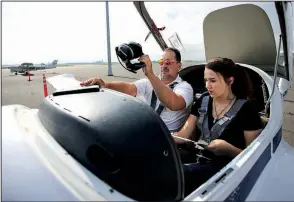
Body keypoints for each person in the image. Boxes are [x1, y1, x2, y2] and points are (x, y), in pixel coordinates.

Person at [172, 57, 263, 195]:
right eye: (206, 80)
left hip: (226, 170)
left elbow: (254, 158)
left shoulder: (247, 110)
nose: (208, 85)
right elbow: (183, 135)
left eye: (213, 80)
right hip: (197, 157)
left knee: (177, 176)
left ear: (230, 81)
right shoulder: (203, 100)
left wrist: (229, 150)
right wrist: (162, 136)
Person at [80, 48, 194, 132]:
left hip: (168, 141)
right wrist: (106, 85)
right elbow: (129, 88)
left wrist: (150, 75)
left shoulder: (185, 87)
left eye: (168, 62)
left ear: (179, 65)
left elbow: (174, 103)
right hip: (145, 133)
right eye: (161, 62)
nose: (164, 65)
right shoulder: (149, 83)